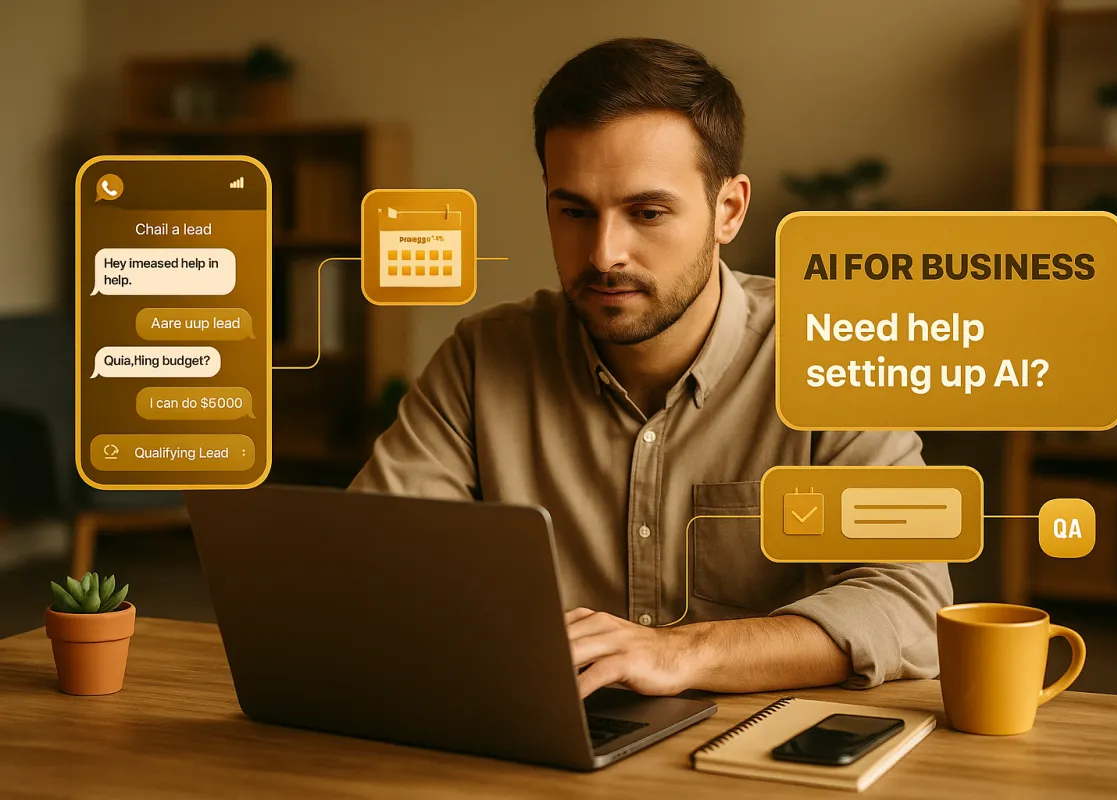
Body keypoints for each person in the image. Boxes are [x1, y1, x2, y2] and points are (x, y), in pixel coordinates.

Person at [351, 37, 952, 699]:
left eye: (648, 213)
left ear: (729, 210)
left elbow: (912, 600)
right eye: (575, 212)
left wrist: (684, 652)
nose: (604, 253)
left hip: (760, 757)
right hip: (542, 743)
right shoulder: (480, 358)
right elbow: (373, 569)